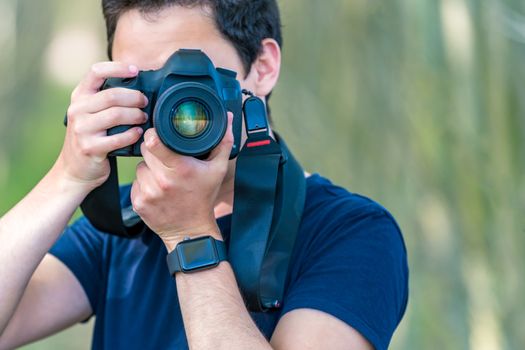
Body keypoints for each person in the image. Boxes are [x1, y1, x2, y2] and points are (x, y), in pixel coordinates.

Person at [0, 1, 408, 349]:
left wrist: (188, 236)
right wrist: (68, 176)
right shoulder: (124, 224)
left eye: (191, 77)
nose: (172, 108)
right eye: (147, 83)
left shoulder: (353, 234)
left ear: (262, 69)